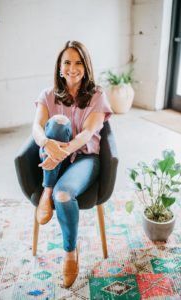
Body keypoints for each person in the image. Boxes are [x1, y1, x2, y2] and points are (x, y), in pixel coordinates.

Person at [32, 40, 112, 288]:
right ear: (59, 67)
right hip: (54, 159)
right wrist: (47, 143)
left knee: (64, 195)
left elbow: (87, 135)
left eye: (78, 63)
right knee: (57, 124)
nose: (72, 68)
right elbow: (36, 128)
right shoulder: (47, 94)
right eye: (67, 62)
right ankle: (47, 191)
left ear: (86, 67)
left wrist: (58, 153)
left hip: (85, 158)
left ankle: (69, 252)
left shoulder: (97, 95)